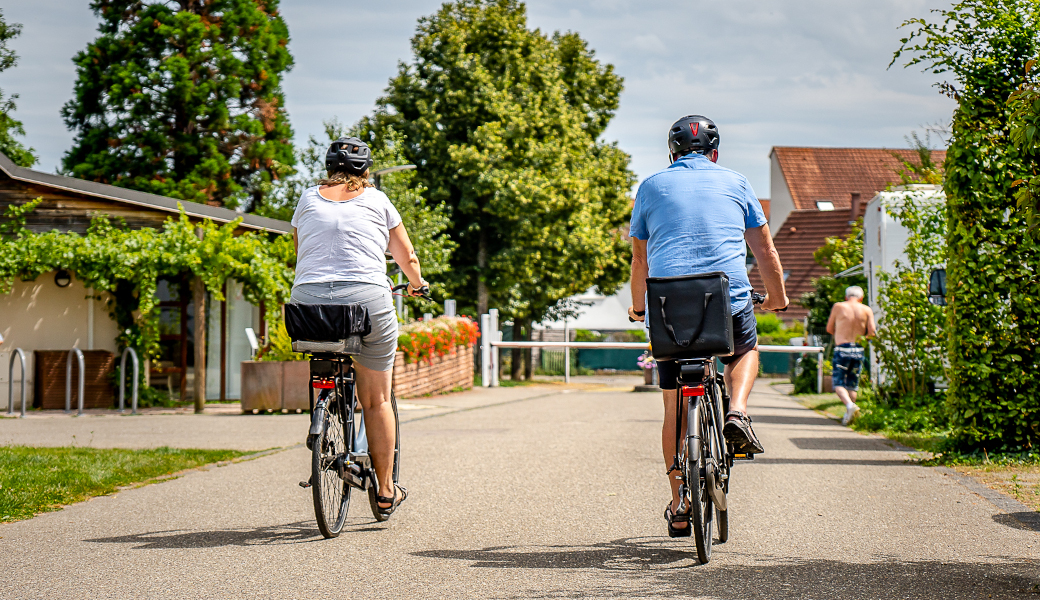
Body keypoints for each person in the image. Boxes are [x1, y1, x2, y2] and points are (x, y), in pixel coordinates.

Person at [627, 115, 788, 536]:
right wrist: (779, 298)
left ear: (671, 154)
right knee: (744, 348)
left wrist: (638, 308)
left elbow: (639, 261)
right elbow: (765, 251)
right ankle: (737, 411)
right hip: (726, 299)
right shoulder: (736, 182)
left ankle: (679, 501)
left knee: (674, 406)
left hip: (666, 307)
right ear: (715, 153)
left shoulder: (650, 186)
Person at [290, 137, 428, 518]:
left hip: (308, 306)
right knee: (376, 400)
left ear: (328, 167)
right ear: (366, 171)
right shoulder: (378, 201)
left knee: (324, 357)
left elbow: (302, 252)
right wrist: (418, 286)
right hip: (367, 302)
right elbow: (407, 257)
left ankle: (325, 406)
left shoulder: (306, 199)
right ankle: (385, 490)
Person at [825, 285, 876, 425]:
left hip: (842, 348)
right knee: (852, 384)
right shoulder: (866, 309)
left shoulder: (839, 306)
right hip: (858, 349)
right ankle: (850, 415)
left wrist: (841, 333)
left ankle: (849, 406)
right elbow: (872, 332)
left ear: (846, 297)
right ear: (861, 298)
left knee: (838, 383)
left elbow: (829, 328)